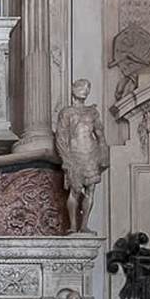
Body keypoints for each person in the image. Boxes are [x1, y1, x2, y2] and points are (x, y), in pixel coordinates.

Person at [55, 78, 109, 234]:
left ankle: (84, 225)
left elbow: (100, 135)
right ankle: (73, 225)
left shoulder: (93, 112)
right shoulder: (67, 112)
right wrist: (66, 158)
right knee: (75, 190)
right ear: (73, 89)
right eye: (81, 87)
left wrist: (103, 154)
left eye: (87, 88)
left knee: (91, 190)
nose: (84, 90)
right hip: (75, 155)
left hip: (91, 154)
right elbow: (61, 137)